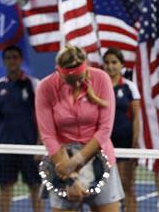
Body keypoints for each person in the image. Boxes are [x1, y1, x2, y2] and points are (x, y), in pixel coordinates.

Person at [35, 45, 125, 211]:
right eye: (70, 81)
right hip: (61, 162)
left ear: (86, 66)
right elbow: (48, 135)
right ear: (58, 71)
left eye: (80, 78)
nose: (76, 84)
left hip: (101, 162)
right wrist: (69, 178)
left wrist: (75, 162)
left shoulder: (102, 79)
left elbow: (104, 129)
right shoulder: (45, 87)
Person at [0, 45, 43, 212]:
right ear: (4, 61)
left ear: (20, 60)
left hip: (29, 147)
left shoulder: (33, 84)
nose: (12, 61)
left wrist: (40, 143)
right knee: (5, 187)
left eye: (15, 57)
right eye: (8, 58)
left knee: (35, 187)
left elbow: (42, 116)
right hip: (5, 147)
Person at [103, 48, 140, 212]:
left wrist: (135, 144)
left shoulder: (129, 87)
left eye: (114, 62)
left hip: (125, 144)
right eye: (107, 62)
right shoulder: (99, 87)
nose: (110, 66)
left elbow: (136, 117)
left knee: (127, 187)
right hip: (104, 144)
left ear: (121, 65)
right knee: (104, 190)